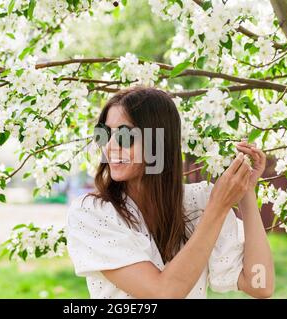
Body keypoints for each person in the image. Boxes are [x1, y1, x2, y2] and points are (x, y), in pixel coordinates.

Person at [66, 86, 275, 299]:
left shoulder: (200, 201)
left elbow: (260, 285)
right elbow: (162, 293)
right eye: (104, 134)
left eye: (125, 135)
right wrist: (218, 208)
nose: (110, 146)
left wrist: (246, 193)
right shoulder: (92, 213)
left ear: (159, 142)